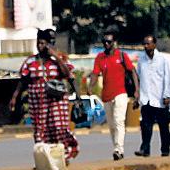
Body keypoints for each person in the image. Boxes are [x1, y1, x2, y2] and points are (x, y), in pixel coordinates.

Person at [9, 27, 78, 159]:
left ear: (50, 43)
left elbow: (68, 75)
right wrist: (14, 97)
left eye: (43, 43)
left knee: (58, 127)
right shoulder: (31, 61)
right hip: (37, 100)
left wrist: (56, 57)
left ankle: (61, 156)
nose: (40, 46)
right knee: (40, 129)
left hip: (56, 99)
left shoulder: (61, 58)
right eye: (38, 43)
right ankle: (42, 159)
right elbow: (23, 81)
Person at [90, 28, 139, 160]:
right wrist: (91, 86)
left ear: (115, 42)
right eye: (104, 42)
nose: (106, 44)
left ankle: (119, 149)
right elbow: (95, 73)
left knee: (119, 121)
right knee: (111, 125)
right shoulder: (100, 58)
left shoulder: (122, 56)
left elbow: (133, 72)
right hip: (106, 95)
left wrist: (136, 90)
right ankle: (117, 148)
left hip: (120, 93)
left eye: (109, 42)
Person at [135, 33, 170, 157]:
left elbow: (168, 79)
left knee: (164, 127)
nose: (146, 46)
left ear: (154, 45)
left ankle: (165, 148)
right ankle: (145, 149)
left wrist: (167, 95)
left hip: (160, 99)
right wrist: (137, 96)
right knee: (146, 126)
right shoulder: (141, 60)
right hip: (146, 99)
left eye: (148, 43)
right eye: (144, 44)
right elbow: (138, 78)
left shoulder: (162, 60)